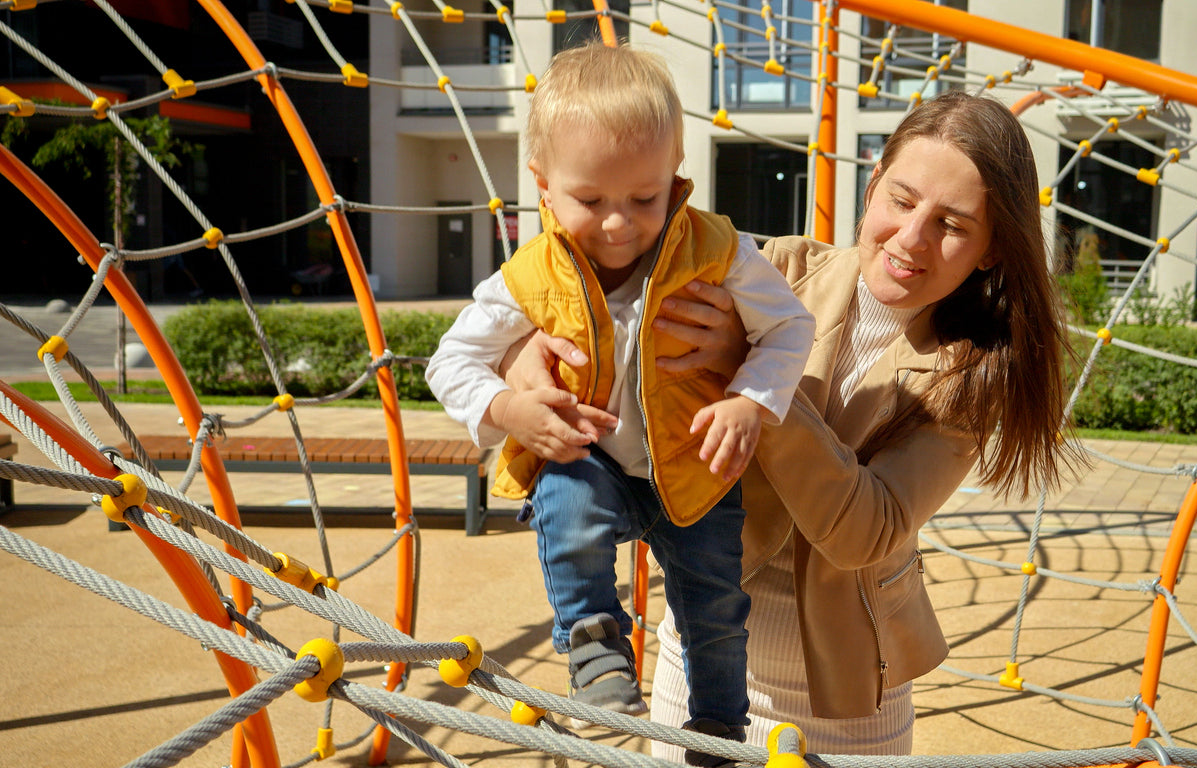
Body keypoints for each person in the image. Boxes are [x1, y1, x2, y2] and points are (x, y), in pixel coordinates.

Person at [498, 90, 1082, 757]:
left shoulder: (973, 375)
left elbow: (864, 531)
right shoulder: (776, 269)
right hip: (703, 655)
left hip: (846, 693)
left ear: (988, 250)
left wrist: (752, 377)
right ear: (871, 188)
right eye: (901, 199)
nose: (911, 237)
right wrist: (524, 357)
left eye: (950, 224)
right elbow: (585, 300)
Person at [425, 41, 815, 766]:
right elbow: (450, 361)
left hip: (691, 469)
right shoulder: (531, 271)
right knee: (565, 509)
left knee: (715, 608)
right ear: (542, 187)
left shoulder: (715, 249)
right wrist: (509, 410)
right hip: (593, 457)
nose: (616, 224)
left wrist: (748, 401)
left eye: (644, 198)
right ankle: (595, 644)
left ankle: (719, 727)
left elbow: (790, 326)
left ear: (674, 178)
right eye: (590, 200)